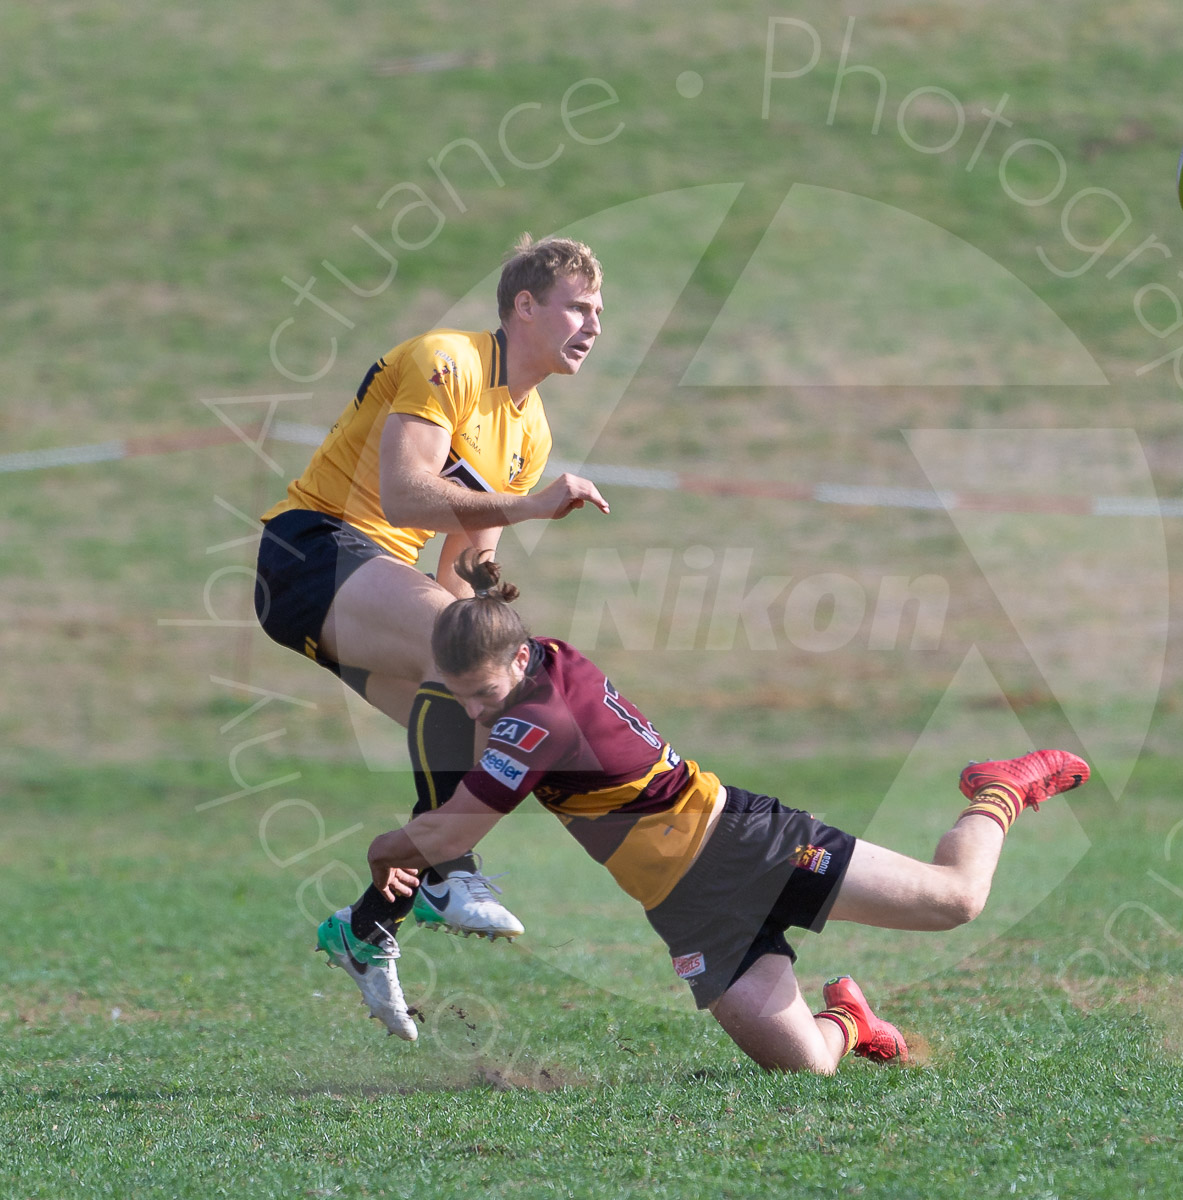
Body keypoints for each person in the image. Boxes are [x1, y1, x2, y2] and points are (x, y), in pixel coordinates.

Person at [324, 550, 1091, 1071]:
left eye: (482, 696)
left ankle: (1004, 787)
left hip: (741, 846)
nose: (472, 711)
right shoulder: (537, 656)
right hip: (684, 907)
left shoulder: (539, 722)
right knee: (806, 1066)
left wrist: (385, 853)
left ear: (519, 663)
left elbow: (452, 831)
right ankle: (853, 1018)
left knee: (955, 900)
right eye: (459, 697)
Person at [256, 236, 609, 989]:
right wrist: (532, 507)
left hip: (371, 581)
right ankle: (454, 869)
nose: (594, 325)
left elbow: (461, 565)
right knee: (464, 665)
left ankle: (364, 928)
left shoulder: (530, 428)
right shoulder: (447, 359)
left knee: (491, 721)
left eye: (599, 311)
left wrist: (489, 626)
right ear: (524, 306)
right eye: (578, 307)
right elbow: (404, 495)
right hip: (310, 550)